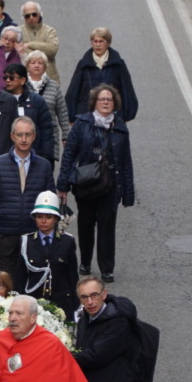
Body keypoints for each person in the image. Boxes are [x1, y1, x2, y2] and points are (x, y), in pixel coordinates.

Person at [57, 84, 135, 283]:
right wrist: (63, 185)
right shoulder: (82, 124)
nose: (106, 102)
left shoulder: (120, 127)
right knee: (86, 223)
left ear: (114, 103)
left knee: (107, 227)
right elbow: (69, 155)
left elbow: (126, 160)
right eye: (102, 99)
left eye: (109, 99)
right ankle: (85, 262)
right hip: (86, 182)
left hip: (111, 185)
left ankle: (107, 268)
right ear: (95, 103)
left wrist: (128, 192)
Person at [0, 116, 54, 278]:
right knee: (5, 286)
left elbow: (50, 206)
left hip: (33, 237)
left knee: (32, 286)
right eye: (19, 135)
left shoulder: (44, 166)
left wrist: (50, 238)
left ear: (34, 137)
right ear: (12, 136)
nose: (23, 139)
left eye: (28, 135)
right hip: (3, 239)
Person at [15, 194, 76, 315]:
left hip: (61, 302)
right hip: (34, 302)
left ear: (55, 219)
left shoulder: (67, 241)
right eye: (39, 217)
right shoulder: (26, 241)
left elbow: (72, 276)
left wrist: (76, 305)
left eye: (48, 217)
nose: (43, 221)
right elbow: (20, 276)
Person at [64, 27, 138, 122]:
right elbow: (73, 91)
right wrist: (71, 117)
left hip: (112, 116)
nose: (98, 45)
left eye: (101, 41)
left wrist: (126, 115)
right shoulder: (84, 64)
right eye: (95, 41)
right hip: (87, 117)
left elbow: (127, 90)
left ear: (108, 43)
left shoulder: (118, 65)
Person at [1, 63, 56, 164]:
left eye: (12, 78)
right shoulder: (0, 101)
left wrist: (47, 157)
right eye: (5, 77)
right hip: (7, 156)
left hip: (34, 155)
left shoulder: (37, 101)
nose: (8, 80)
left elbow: (47, 130)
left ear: (22, 80)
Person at [25, 51, 69, 165]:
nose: (36, 65)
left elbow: (62, 112)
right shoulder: (22, 86)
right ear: (27, 66)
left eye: (40, 63)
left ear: (45, 66)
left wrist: (66, 135)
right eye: (33, 62)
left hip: (48, 138)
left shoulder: (54, 86)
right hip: (25, 138)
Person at [17, 1, 61, 83]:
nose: (31, 17)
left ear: (40, 14)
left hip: (49, 79)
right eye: (27, 16)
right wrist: (43, 49)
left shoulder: (50, 31)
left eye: (34, 14)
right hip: (26, 80)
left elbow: (52, 50)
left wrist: (29, 44)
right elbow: (19, 53)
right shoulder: (18, 32)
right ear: (23, 17)